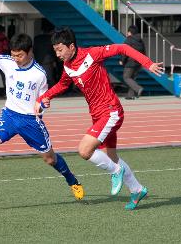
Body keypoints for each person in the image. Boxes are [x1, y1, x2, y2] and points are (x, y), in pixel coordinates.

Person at [34, 28, 164, 210]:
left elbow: (123, 48)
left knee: (84, 150)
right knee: (110, 156)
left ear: (71, 46)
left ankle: (116, 172)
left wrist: (147, 63)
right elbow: (62, 84)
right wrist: (43, 97)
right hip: (97, 116)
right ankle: (137, 189)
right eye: (55, 50)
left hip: (111, 111)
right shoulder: (67, 67)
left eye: (60, 49)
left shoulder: (93, 54)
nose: (57, 54)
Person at [0, 33, 84, 205]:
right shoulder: (8, 62)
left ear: (29, 52)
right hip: (9, 116)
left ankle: (72, 180)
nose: (16, 59)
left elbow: (43, 99)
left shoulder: (39, 74)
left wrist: (44, 104)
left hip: (30, 122)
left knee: (50, 159)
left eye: (19, 55)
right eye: (13, 55)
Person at [120, 25, 145, 99]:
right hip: (138, 62)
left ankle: (138, 88)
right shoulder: (140, 40)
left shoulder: (128, 40)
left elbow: (124, 51)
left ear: (130, 32)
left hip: (130, 63)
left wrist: (122, 60)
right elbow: (144, 51)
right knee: (132, 78)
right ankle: (130, 95)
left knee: (126, 77)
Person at [34, 20, 58, 88]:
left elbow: (34, 49)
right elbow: (53, 51)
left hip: (38, 60)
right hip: (48, 61)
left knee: (40, 78)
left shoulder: (37, 38)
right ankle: (53, 91)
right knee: (49, 78)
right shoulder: (51, 39)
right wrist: (55, 61)